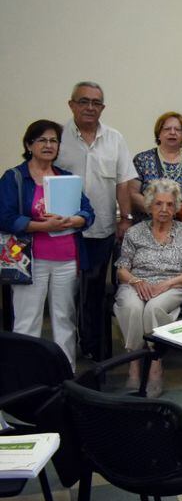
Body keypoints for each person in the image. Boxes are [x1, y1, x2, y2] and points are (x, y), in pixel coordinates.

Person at [0, 119, 95, 369]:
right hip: (30, 261)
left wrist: (72, 220)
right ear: (29, 144)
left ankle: (64, 375)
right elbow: (5, 217)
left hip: (66, 259)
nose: (48, 145)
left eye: (54, 140)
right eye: (42, 139)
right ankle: (24, 379)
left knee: (64, 319)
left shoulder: (65, 178)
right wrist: (43, 227)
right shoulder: (15, 178)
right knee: (27, 321)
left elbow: (88, 212)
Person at [56, 81, 137, 359]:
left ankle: (93, 348)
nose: (90, 107)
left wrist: (125, 219)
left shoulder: (114, 138)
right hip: (62, 231)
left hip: (101, 229)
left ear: (102, 108)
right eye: (84, 101)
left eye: (96, 103)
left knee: (93, 292)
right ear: (71, 104)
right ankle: (63, 350)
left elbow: (123, 183)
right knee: (65, 292)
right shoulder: (57, 138)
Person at [113, 179, 182, 397]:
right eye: (158, 204)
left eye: (170, 204)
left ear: (176, 207)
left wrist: (166, 284)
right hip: (136, 282)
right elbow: (121, 269)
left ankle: (155, 363)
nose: (164, 209)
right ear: (149, 206)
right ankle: (134, 364)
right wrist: (136, 282)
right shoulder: (134, 233)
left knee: (153, 308)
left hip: (173, 284)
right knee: (132, 307)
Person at [132, 112, 182, 228]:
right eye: (167, 129)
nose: (172, 132)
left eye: (178, 130)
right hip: (148, 226)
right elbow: (133, 194)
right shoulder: (142, 159)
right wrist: (159, 211)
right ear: (159, 134)